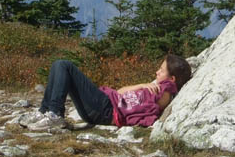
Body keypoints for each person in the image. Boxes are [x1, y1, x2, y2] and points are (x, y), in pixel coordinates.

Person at [21, 54, 192, 130]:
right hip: (104, 104)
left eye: (161, 70)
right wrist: (142, 85)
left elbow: (159, 104)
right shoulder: (153, 86)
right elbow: (120, 91)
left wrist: (165, 88)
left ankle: (55, 115)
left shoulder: (166, 90)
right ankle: (45, 112)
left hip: (106, 109)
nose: (157, 72)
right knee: (58, 65)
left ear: (172, 79)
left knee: (63, 65)